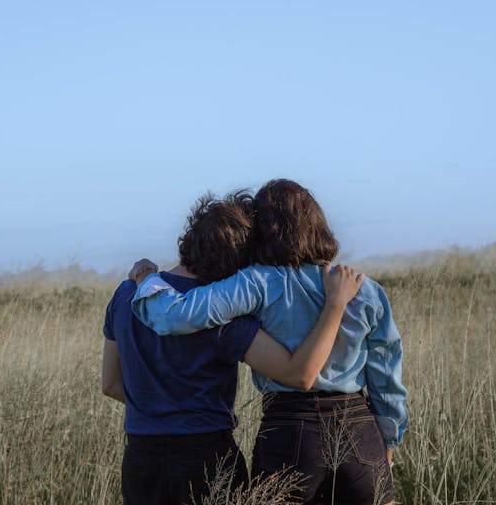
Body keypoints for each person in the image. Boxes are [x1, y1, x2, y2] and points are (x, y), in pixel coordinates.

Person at [131, 180, 408, 505]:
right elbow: (387, 381)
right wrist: (387, 444)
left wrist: (146, 277)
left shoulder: (257, 282)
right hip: (360, 432)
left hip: (289, 429)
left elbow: (173, 316)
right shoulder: (365, 289)